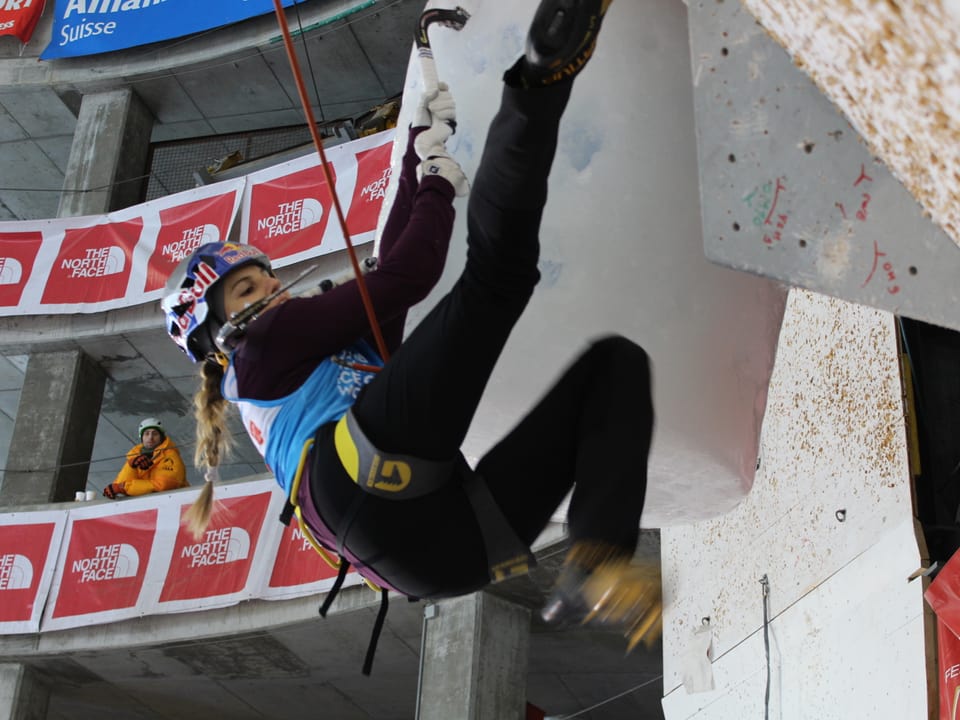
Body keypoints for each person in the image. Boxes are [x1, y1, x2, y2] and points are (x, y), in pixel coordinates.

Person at [162, 0, 659, 670]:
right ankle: (540, 78)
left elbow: (385, 275)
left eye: (264, 277)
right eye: (247, 290)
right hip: (362, 483)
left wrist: (417, 145)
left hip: (430, 557)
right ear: (219, 332)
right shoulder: (265, 346)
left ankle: (597, 559)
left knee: (615, 367)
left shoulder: (324, 366)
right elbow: (408, 277)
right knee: (496, 279)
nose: (271, 291)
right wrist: (439, 185)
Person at [103, 417, 188, 498]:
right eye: (146, 434)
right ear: (142, 437)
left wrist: (125, 488)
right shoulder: (134, 456)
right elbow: (119, 484)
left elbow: (164, 485)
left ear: (161, 437)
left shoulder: (170, 455)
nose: (150, 437)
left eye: (155, 434)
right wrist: (130, 467)